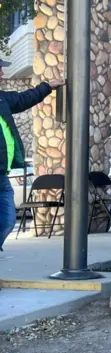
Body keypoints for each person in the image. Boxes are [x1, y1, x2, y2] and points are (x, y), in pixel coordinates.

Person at [0, 58, 64, 252]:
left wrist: (48, 87)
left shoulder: (2, 98)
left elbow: (24, 99)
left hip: (2, 176)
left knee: (8, 221)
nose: (2, 73)